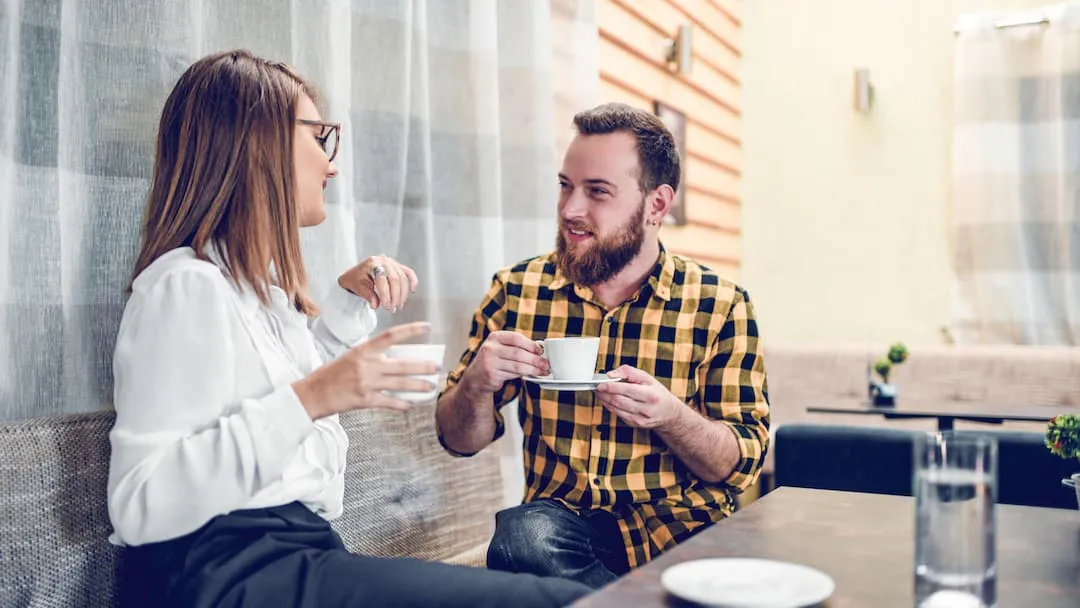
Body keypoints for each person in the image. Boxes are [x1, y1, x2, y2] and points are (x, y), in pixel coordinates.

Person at [107, 49, 591, 608]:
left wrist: (343, 309)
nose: (332, 165)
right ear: (257, 143)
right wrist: (316, 395)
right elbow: (138, 504)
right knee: (545, 602)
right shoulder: (183, 286)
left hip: (295, 553)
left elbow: (269, 406)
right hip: (219, 576)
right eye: (320, 138)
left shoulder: (256, 295)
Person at [435, 102, 771, 588]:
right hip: (559, 533)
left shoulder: (720, 305)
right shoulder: (517, 290)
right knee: (521, 535)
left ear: (656, 205)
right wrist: (476, 383)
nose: (571, 209)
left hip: (681, 532)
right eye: (565, 186)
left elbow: (737, 466)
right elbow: (457, 440)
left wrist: (671, 417)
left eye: (597, 192)